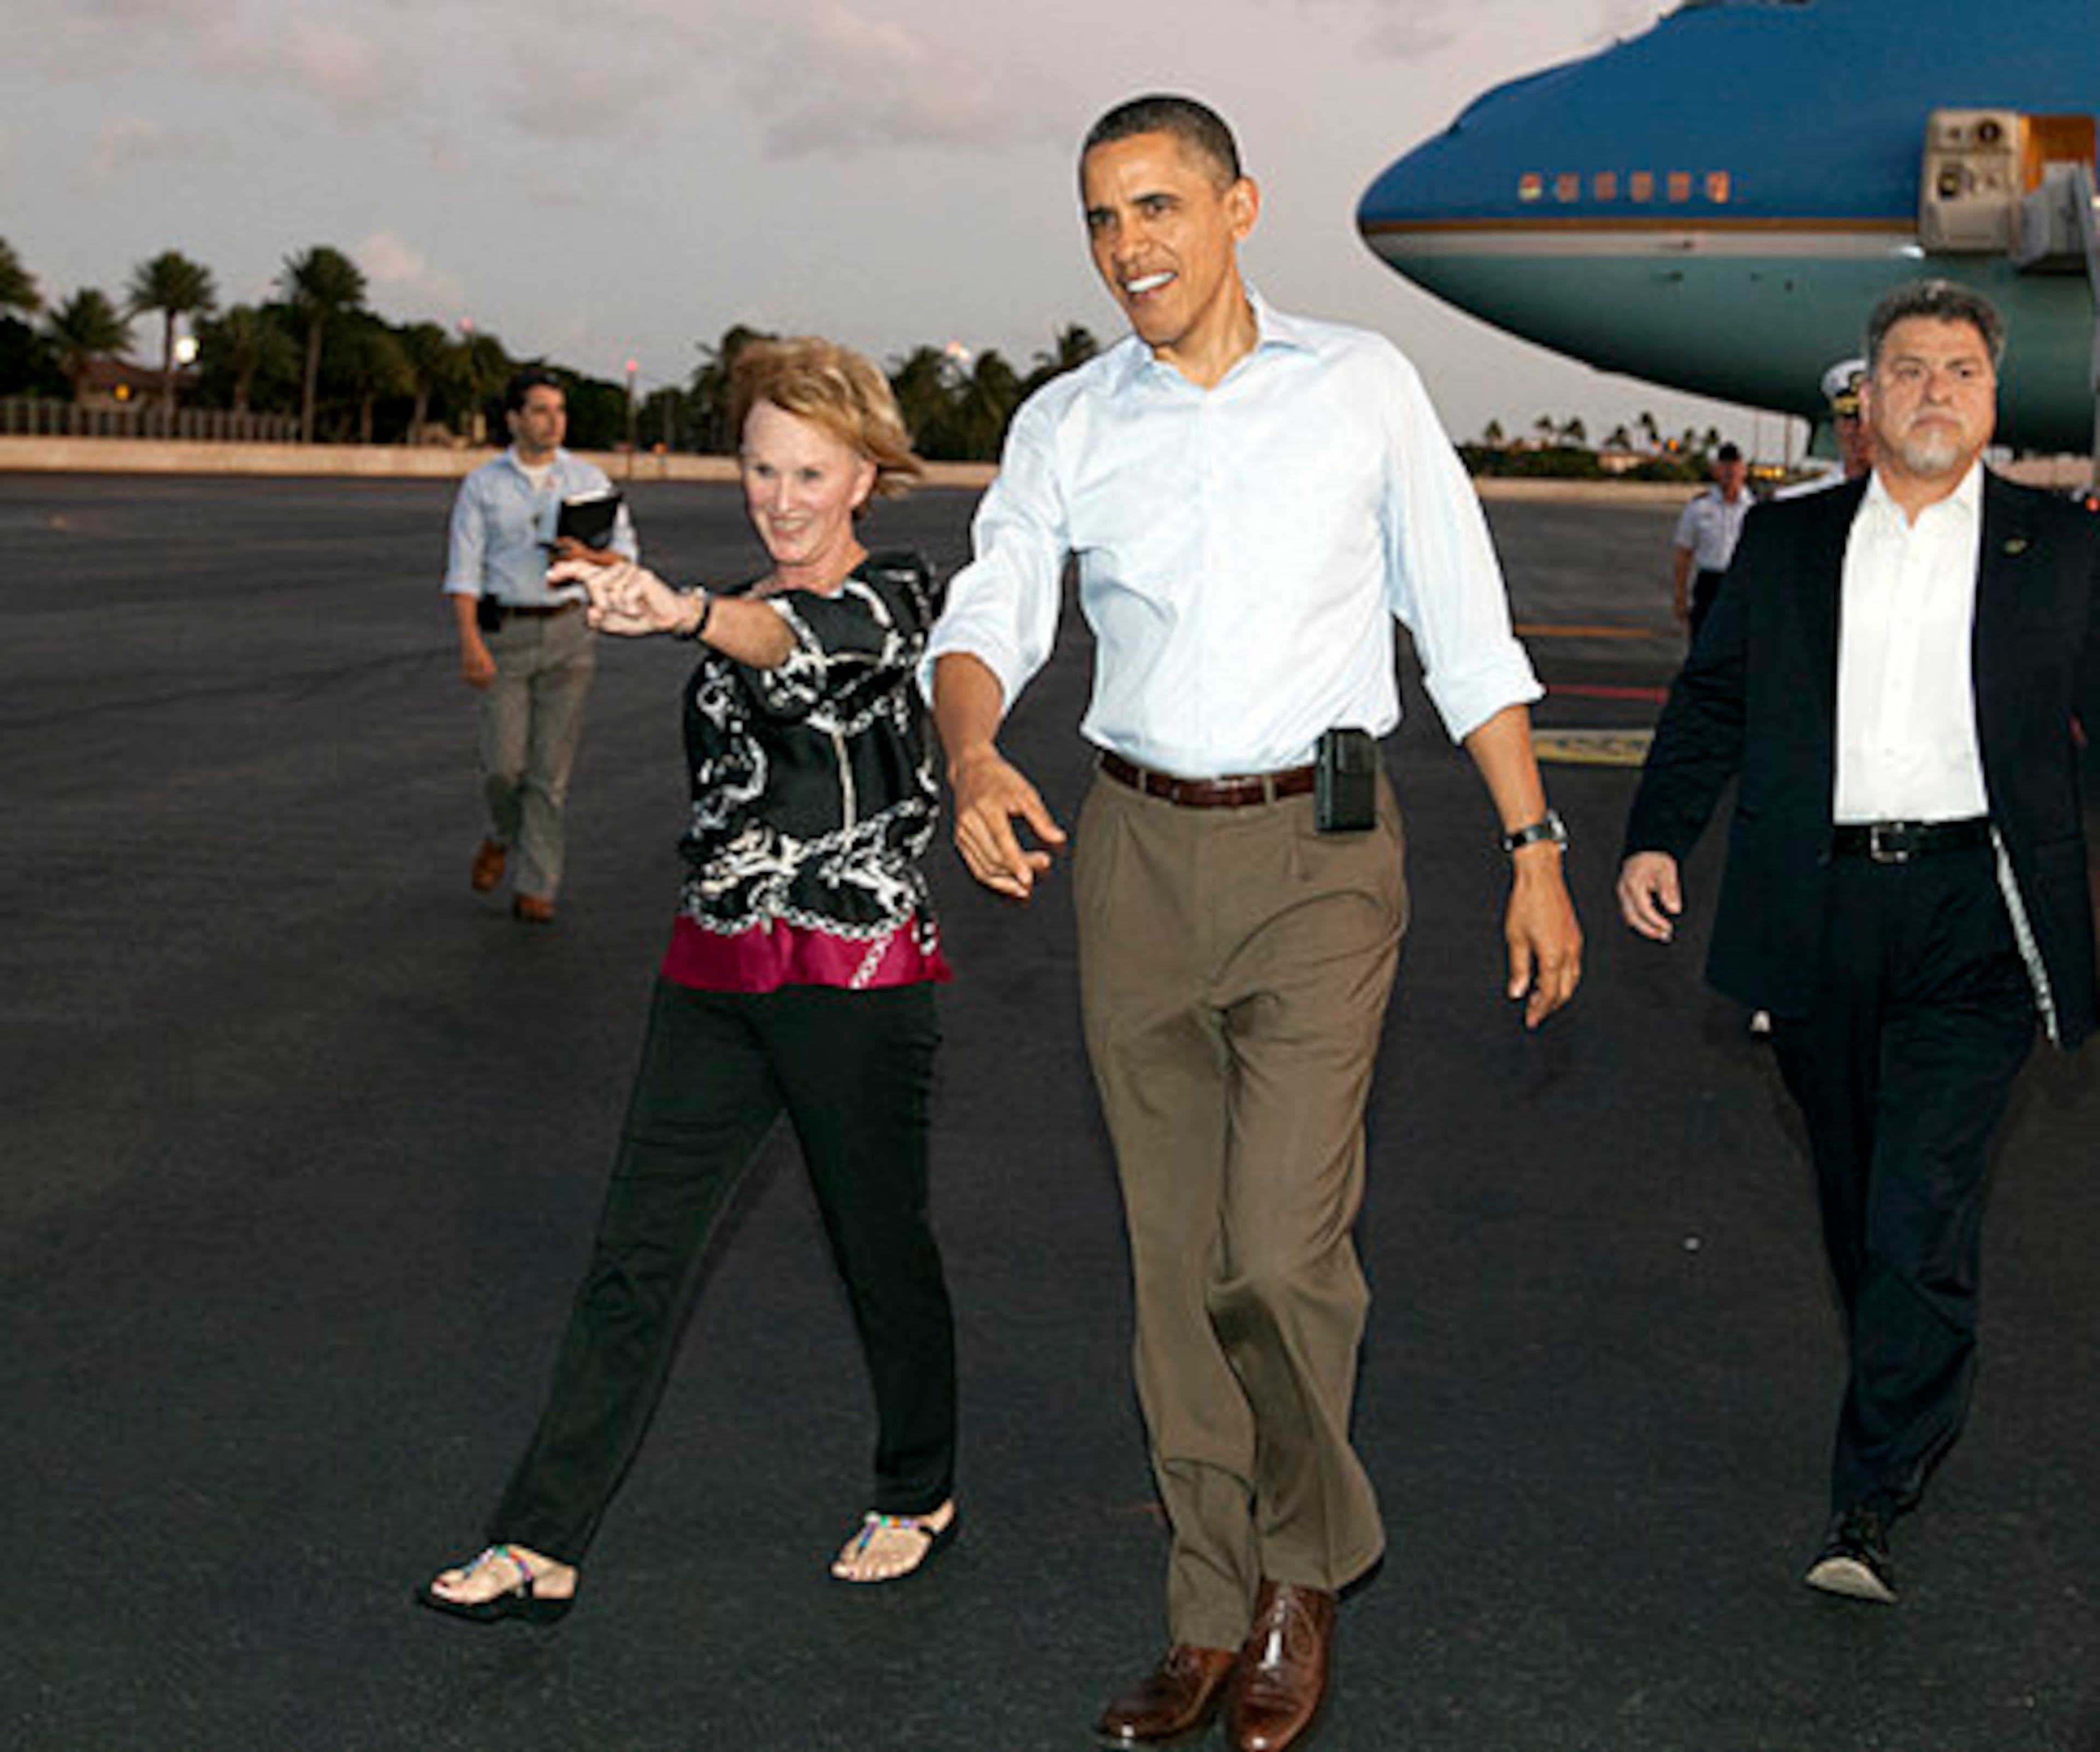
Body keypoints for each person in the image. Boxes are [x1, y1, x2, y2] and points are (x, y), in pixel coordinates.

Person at [926, 95, 1580, 1752]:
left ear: (1234, 208)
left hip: (1320, 851)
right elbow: (994, 596)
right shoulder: (1068, 417)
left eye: (1155, 206)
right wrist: (970, 742)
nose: (1127, 244)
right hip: (1132, 851)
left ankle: (1302, 1571)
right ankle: (1203, 1610)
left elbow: (1462, 617)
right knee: (1170, 1269)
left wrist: (1530, 841)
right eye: (1098, 217)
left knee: (1274, 1255)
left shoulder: (1356, 383)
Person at [419, 337, 959, 1623]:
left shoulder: (894, 597)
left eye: (811, 473)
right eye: (762, 467)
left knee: (876, 1245)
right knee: (635, 1253)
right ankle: (541, 1532)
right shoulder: (729, 606)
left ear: (867, 476)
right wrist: (672, 611)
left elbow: (802, 642)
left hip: (853, 978)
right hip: (711, 969)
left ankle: (918, 1481)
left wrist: (684, 615)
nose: (781, 497)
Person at [1617, 280, 2100, 1604]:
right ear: (1867, 400)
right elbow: (1708, 700)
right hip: (1818, 908)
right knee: (1859, 1200)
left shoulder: (2058, 551)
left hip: (1976, 916)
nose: (1933, 389)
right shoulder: (1784, 546)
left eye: (1957, 369)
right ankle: (1906, 1368)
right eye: (1907, 369)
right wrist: (1655, 833)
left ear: (1988, 400)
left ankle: (1868, 1491)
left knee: (1916, 1204)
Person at [443, 368, 638, 925]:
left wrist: (589, 555)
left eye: (560, 410)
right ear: (514, 418)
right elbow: (463, 569)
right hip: (506, 633)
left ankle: (537, 884)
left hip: (570, 632)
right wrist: (469, 642)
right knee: (502, 767)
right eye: (541, 410)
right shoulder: (483, 485)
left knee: (550, 773)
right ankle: (502, 833)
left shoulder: (589, 478)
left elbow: (626, 554)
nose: (554, 420)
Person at [1670, 439, 1752, 638]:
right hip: (1709, 584)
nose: (1730, 472)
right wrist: (1681, 596)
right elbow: (1683, 553)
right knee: (1702, 642)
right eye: (1725, 467)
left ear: (1744, 471)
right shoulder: (1699, 507)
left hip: (1742, 585)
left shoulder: (1755, 508)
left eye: (1735, 466)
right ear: (1716, 471)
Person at [1776, 358, 1873, 499]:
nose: (1860, 431)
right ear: (1837, 428)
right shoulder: (1798, 503)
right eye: (1849, 419)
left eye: (1871, 419)